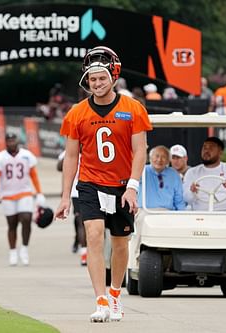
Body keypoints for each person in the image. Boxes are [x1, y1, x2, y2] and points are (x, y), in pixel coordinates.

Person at [55, 46, 152, 323]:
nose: (96, 84)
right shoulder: (77, 113)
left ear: (113, 76)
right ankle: (100, 300)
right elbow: (72, 155)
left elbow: (140, 151)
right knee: (95, 236)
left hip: (122, 184)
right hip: (90, 183)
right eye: (92, 79)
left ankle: (115, 294)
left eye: (101, 78)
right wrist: (64, 196)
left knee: (120, 243)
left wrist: (132, 186)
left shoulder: (133, 108)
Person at [0, 133, 46, 266]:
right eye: (8, 140)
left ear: (17, 141)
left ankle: (24, 248)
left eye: (13, 140)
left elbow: (34, 175)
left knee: (26, 218)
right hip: (7, 194)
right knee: (12, 224)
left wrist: (39, 192)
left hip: (24, 192)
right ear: (5, 142)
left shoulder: (27, 155)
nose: (11, 143)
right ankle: (13, 251)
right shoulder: (0, 158)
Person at [129, 146, 186, 272]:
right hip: (146, 211)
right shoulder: (142, 171)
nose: (159, 160)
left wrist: (183, 215)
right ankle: (134, 265)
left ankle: (173, 265)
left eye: (163, 157)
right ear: (150, 158)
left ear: (168, 160)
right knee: (140, 223)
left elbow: (179, 199)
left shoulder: (174, 175)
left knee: (180, 228)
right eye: (156, 156)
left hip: (167, 213)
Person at [183, 137, 226, 211]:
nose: (206, 151)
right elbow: (186, 198)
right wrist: (192, 191)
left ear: (220, 152)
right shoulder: (192, 172)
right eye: (204, 148)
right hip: (201, 213)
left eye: (211, 148)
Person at [58, 150, 87, 266]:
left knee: (89, 223)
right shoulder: (69, 151)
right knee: (80, 222)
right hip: (76, 191)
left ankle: (86, 247)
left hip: (92, 189)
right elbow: (60, 167)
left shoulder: (91, 148)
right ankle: (84, 251)